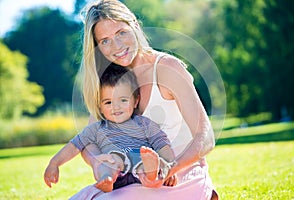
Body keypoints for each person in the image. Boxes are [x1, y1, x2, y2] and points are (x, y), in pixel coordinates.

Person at [72, 0, 219, 199]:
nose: (117, 46)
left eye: (121, 33)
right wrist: (99, 162)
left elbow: (206, 137)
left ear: (135, 25)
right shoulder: (111, 82)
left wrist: (168, 170)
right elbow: (89, 141)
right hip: (134, 181)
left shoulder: (167, 69)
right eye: (105, 41)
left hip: (179, 176)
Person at [44, 64, 177, 193]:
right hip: (115, 169)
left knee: (148, 160)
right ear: (100, 106)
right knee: (108, 161)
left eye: (123, 100)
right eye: (108, 102)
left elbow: (162, 144)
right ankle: (106, 180)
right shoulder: (96, 129)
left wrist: (170, 167)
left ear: (135, 101)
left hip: (139, 163)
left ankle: (151, 176)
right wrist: (54, 163)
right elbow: (74, 146)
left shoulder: (145, 124)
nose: (116, 107)